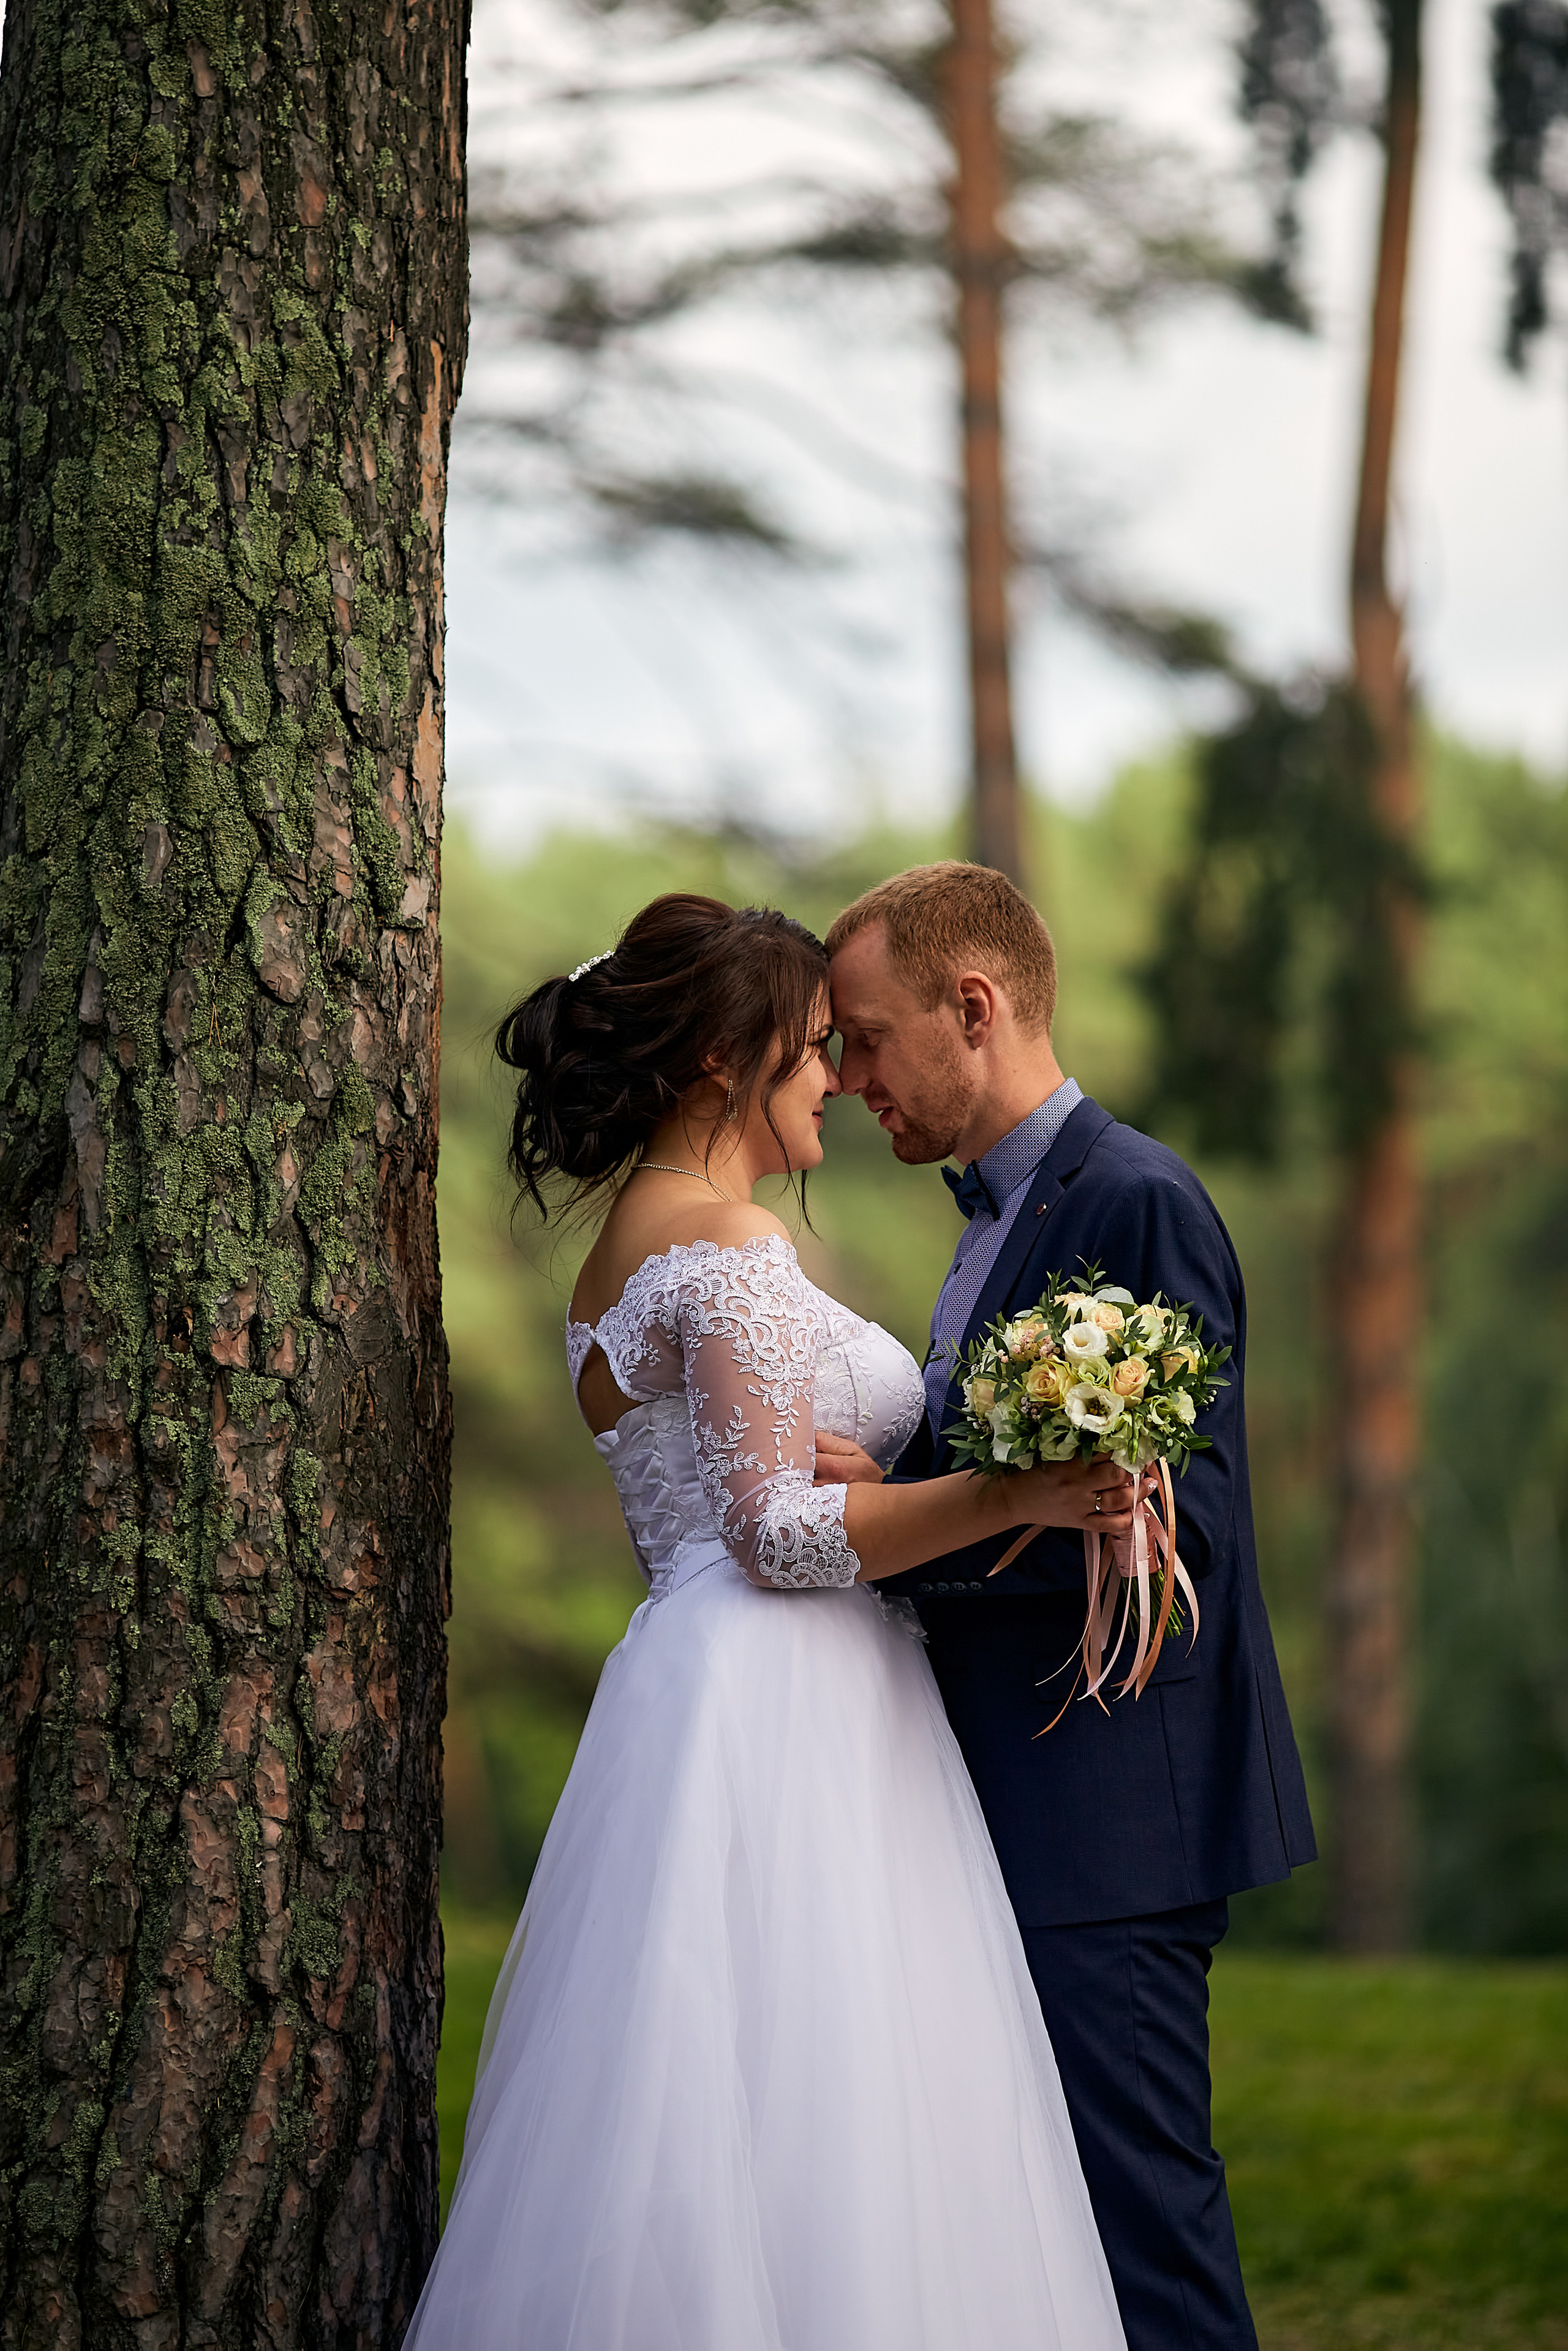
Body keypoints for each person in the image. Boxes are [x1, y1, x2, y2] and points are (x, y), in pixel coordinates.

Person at [404, 892, 1128, 2351]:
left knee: (712, 2103)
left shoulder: (620, 1254)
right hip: (788, 1695)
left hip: (694, 1684)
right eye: (812, 1050)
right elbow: (781, 1532)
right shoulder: (728, 1240)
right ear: (724, 1061)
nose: (837, 1084)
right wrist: (1013, 1492)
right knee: (832, 2100)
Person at [823, 860, 1317, 2351]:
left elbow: (1177, 1533)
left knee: (1138, 2231)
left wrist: (884, 1535)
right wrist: (910, 1463)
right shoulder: (997, 1215)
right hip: (1017, 1795)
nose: (846, 1081)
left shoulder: (1136, 1199)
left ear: (970, 1008)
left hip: (1107, 1815)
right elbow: (1023, 1470)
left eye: (863, 1038)